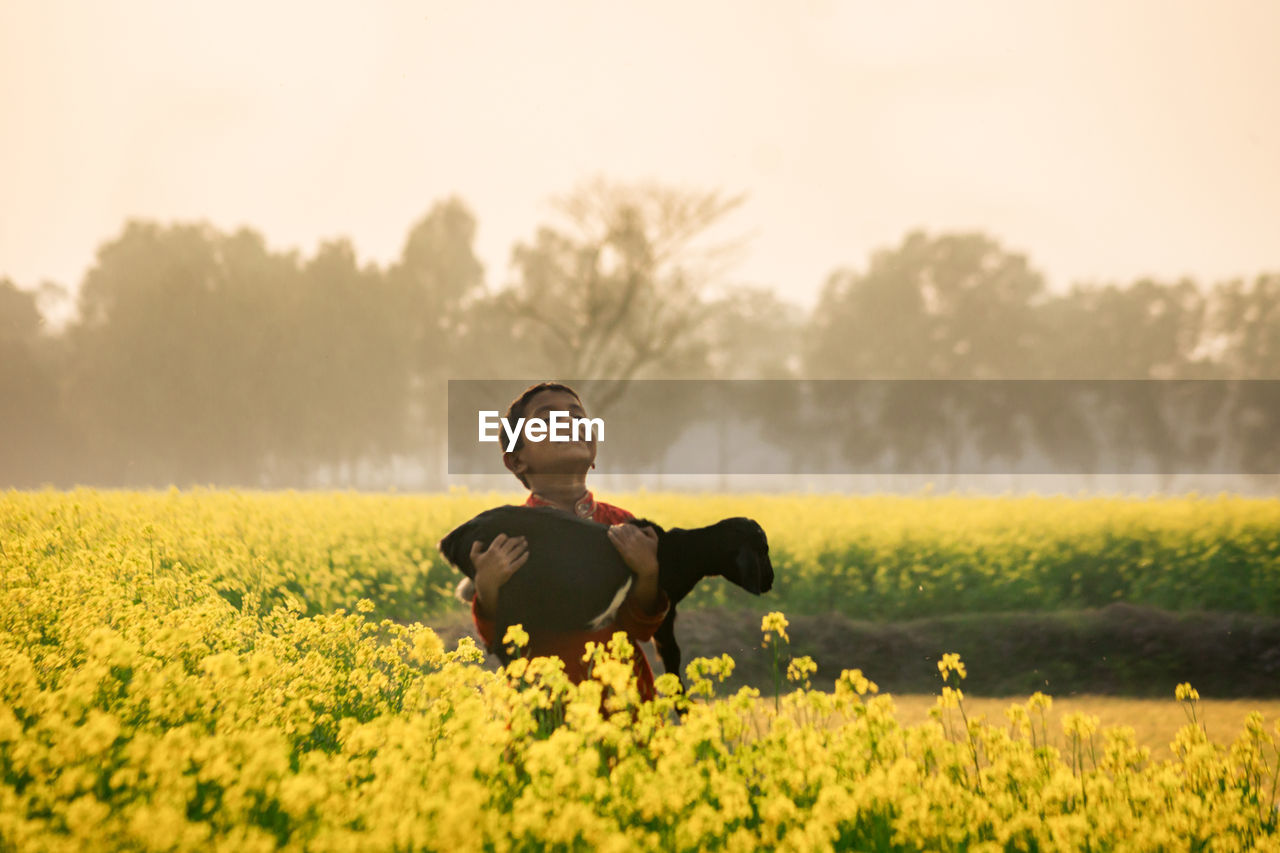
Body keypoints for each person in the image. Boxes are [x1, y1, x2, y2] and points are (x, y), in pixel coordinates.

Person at [468, 382, 672, 703]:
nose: (568, 423)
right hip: (545, 707)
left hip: (623, 703)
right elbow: (501, 639)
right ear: (516, 461)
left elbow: (640, 628)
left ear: (593, 451)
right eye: (545, 420)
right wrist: (488, 586)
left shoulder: (623, 525)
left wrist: (648, 574)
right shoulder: (507, 537)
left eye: (578, 415)